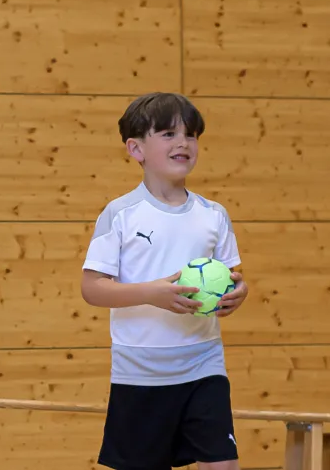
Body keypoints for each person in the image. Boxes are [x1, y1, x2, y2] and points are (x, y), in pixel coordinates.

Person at [79, 92, 251, 470]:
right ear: (136, 149)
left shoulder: (214, 214)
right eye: (169, 134)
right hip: (139, 373)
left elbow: (233, 277)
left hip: (204, 364)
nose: (183, 143)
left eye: (190, 135)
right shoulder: (120, 214)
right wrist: (151, 293)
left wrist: (239, 292)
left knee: (222, 463)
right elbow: (92, 288)